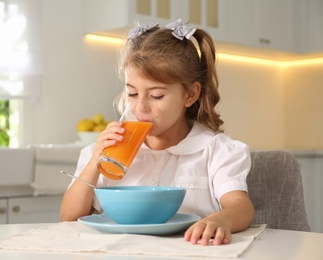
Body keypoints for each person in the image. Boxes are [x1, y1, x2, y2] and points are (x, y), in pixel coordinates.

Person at [60, 19, 254, 246]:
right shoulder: (107, 153)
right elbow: (69, 218)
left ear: (190, 95)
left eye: (156, 96)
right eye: (132, 94)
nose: (140, 108)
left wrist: (221, 220)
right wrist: (95, 162)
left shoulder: (217, 151)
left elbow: (241, 207)